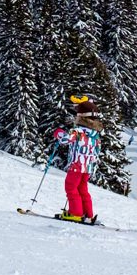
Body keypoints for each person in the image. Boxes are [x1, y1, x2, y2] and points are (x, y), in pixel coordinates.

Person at [53, 94, 105, 224]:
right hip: (87, 167)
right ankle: (88, 214)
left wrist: (59, 133)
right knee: (82, 189)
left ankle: (75, 213)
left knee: (70, 187)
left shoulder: (77, 132)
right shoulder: (96, 135)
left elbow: (65, 140)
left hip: (77, 164)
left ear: (81, 117)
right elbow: (98, 150)